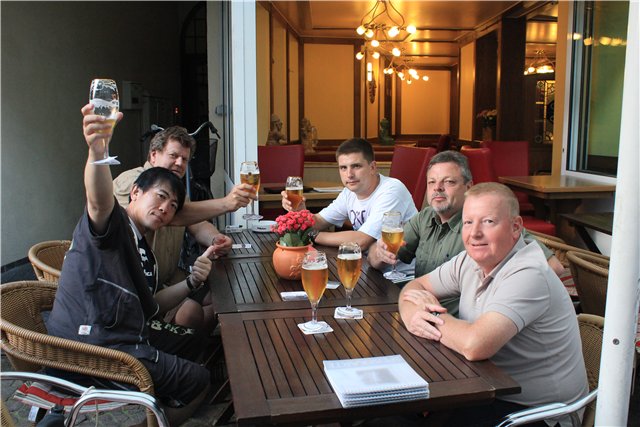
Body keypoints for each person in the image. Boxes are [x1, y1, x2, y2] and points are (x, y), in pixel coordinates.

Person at [48, 104, 212, 425]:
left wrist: (192, 281)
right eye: (160, 196)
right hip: (95, 348)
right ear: (135, 192)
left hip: (125, 334)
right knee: (201, 380)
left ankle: (152, 394)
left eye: (173, 205)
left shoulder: (143, 247)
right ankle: (147, 417)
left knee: (193, 338)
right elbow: (98, 200)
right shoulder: (114, 226)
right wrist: (98, 151)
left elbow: (152, 305)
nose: (165, 208)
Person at [398, 183, 588, 426]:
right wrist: (412, 314)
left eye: (488, 222)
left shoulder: (529, 273)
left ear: (516, 227)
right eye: (468, 222)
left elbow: (475, 345)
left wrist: (427, 317)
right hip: (484, 387)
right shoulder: (470, 259)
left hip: (536, 413)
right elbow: (414, 288)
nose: (475, 233)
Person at [368, 150, 564, 316]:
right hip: (425, 316)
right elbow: (377, 259)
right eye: (432, 182)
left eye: (448, 182)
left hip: (465, 324)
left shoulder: (486, 224)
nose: (438, 188)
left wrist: (496, 302)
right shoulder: (424, 218)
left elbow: (554, 267)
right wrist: (379, 252)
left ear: (468, 187)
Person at [113, 125, 254, 332]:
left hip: (169, 279)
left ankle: (197, 343)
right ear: (154, 155)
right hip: (137, 291)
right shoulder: (134, 181)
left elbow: (196, 223)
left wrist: (216, 239)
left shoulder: (174, 188)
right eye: (173, 155)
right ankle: (181, 343)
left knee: (223, 297)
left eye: (184, 159)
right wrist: (226, 204)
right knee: (191, 313)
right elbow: (170, 216)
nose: (179, 163)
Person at [281, 138, 417, 250]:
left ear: (372, 167)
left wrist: (313, 235)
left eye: (356, 166)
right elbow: (320, 221)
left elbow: (362, 241)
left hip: (399, 272)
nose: (349, 174)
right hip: (368, 266)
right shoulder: (349, 193)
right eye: (343, 168)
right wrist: (300, 212)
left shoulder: (392, 190)